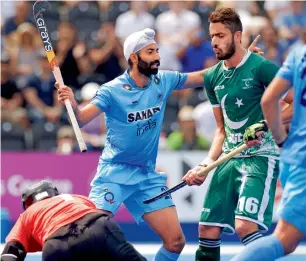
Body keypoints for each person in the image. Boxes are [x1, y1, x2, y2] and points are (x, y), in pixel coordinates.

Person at [56, 27, 262, 261]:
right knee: (89, 237)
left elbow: (204, 76)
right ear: (134, 57)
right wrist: (72, 103)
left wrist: (239, 62)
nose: (157, 57)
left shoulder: (162, 80)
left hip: (146, 175)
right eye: (150, 52)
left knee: (175, 242)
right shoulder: (112, 91)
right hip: (114, 173)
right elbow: (81, 118)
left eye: (157, 51)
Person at [182, 8, 293, 261]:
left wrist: (264, 124)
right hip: (230, 157)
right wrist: (206, 164)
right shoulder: (213, 77)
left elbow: (297, 103)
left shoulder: (262, 67)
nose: (214, 42)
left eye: (220, 35)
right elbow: (221, 130)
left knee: (245, 226)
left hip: (260, 156)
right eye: (212, 36)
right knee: (207, 229)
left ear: (237, 36)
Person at [230, 39, 306, 261]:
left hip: (295, 155)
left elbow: (269, 101)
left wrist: (281, 141)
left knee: (286, 240)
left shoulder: (298, 54)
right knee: (284, 239)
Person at [1, 180, 146, 261]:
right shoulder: (78, 198)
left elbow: (11, 253)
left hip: (57, 244)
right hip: (100, 227)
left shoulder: (28, 214)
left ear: (28, 204)